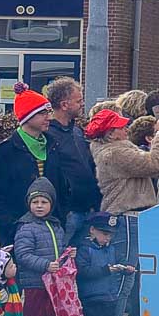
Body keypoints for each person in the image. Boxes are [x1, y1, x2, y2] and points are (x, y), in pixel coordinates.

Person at [88, 104, 159, 316]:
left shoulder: (115, 150)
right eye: (120, 126)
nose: (125, 129)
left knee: (126, 281)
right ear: (110, 133)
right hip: (126, 219)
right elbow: (155, 163)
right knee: (122, 281)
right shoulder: (115, 153)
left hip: (130, 219)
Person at [0, 85, 65, 239]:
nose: (49, 118)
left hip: (52, 229)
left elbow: (62, 187)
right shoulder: (5, 150)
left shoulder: (53, 146)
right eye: (42, 113)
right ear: (28, 117)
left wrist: (61, 219)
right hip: (16, 232)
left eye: (48, 113)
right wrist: (11, 225)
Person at [11, 177, 69, 316]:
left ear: (51, 204)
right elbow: (22, 254)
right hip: (35, 283)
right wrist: (45, 265)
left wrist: (67, 255)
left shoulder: (56, 226)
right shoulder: (26, 227)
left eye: (44, 202)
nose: (39, 206)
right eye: (35, 202)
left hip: (52, 284)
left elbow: (59, 249)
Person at [70, 213, 128, 316]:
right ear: (92, 230)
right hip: (92, 297)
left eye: (110, 235)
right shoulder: (84, 249)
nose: (107, 238)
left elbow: (120, 260)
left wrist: (125, 268)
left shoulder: (111, 248)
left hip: (109, 296)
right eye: (104, 234)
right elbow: (82, 272)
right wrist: (105, 270)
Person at [41, 76, 100, 217]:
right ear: (64, 105)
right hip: (68, 212)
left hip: (88, 209)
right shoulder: (48, 136)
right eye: (78, 101)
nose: (82, 104)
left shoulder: (76, 131)